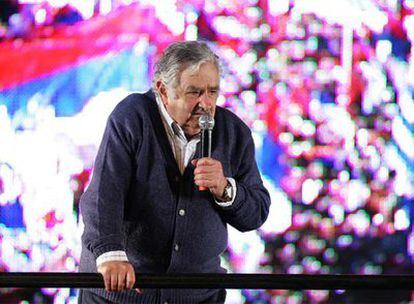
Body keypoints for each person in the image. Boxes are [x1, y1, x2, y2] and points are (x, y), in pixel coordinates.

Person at [78, 41, 271, 303]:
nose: (206, 104)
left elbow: (256, 213)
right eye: (194, 92)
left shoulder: (234, 133)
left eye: (212, 92)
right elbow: (104, 194)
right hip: (121, 296)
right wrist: (111, 254)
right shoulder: (132, 116)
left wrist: (226, 189)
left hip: (197, 297)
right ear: (162, 89)